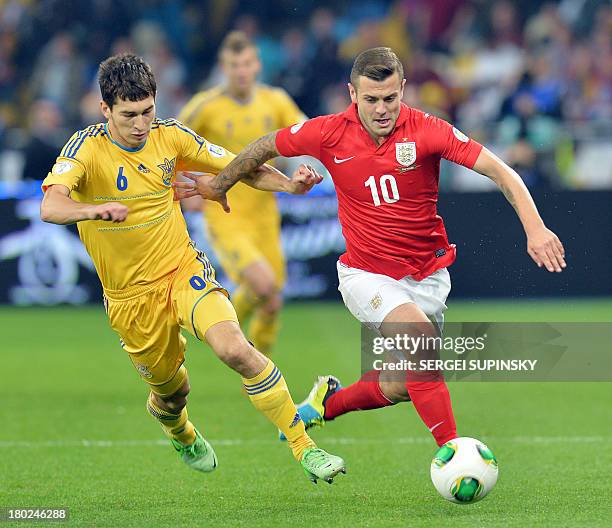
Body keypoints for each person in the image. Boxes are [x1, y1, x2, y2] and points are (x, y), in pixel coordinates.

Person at [173, 47, 566, 448]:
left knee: (402, 384)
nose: (382, 110)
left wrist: (535, 230)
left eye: (390, 98)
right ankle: (453, 452)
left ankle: (326, 404)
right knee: (422, 343)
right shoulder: (328, 132)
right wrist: (219, 184)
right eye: (371, 99)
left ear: (403, 90)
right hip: (366, 275)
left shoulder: (429, 131)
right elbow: (264, 145)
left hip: (428, 277)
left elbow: (501, 171)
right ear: (352, 94)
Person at [39, 53, 345, 484]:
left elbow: (239, 167)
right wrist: (95, 209)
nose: (141, 124)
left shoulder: (171, 136)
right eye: (129, 115)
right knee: (172, 393)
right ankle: (179, 430)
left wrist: (289, 184)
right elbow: (50, 205)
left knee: (234, 348)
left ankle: (304, 448)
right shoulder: (85, 148)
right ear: (104, 109)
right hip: (130, 300)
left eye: (148, 111)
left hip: (181, 269)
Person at [178, 31, 306, 357]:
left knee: (272, 300)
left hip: (265, 214)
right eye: (235, 65)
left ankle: (261, 365)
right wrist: (184, 187)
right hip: (225, 213)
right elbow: (170, 144)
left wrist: (304, 167)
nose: (241, 71)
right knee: (263, 285)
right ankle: (219, 329)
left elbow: (305, 134)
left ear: (257, 65)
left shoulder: (275, 101)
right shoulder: (204, 106)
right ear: (224, 66)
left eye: (247, 63)